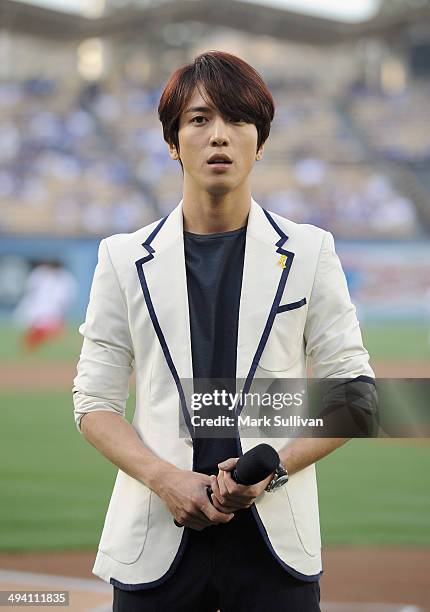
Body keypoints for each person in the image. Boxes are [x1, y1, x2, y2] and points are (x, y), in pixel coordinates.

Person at [73, 51, 376, 611]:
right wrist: (164, 478)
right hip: (155, 542)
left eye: (238, 120)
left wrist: (273, 472)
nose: (220, 136)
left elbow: (356, 393)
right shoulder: (120, 258)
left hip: (274, 546)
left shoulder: (311, 252)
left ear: (260, 142)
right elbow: (93, 401)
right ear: (172, 142)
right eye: (199, 119)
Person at [14, 259, 77, 350]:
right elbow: (29, 291)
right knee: (25, 321)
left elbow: (65, 300)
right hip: (35, 309)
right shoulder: (39, 274)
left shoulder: (65, 278)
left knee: (52, 330)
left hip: (53, 312)